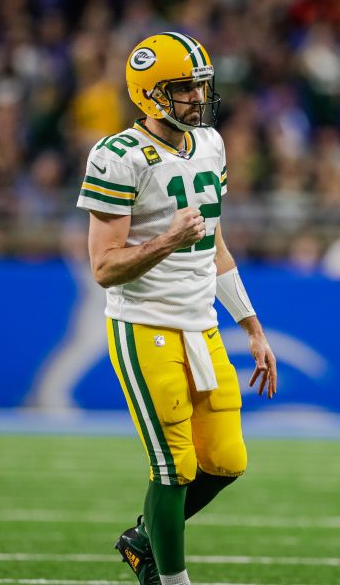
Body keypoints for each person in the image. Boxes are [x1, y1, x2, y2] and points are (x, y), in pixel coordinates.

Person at [77, 32, 278, 585]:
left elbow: (214, 245)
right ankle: (170, 580)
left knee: (227, 460)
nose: (196, 96)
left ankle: (144, 538)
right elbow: (103, 267)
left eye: (199, 85)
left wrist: (252, 326)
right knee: (174, 468)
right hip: (144, 324)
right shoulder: (118, 157)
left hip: (202, 326)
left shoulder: (210, 144)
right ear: (149, 93)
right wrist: (164, 240)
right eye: (184, 87)